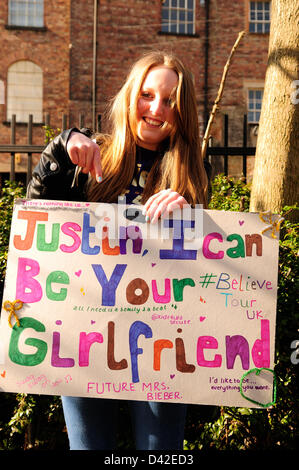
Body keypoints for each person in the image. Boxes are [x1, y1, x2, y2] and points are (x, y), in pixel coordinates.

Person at [27, 51, 211, 450]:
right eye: (147, 95)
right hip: (83, 338)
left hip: (163, 344)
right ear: (130, 97)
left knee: (160, 452)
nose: (155, 109)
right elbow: (39, 227)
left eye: (170, 101)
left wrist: (190, 216)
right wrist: (60, 149)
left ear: (183, 112)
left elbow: (207, 277)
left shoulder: (192, 173)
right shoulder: (90, 157)